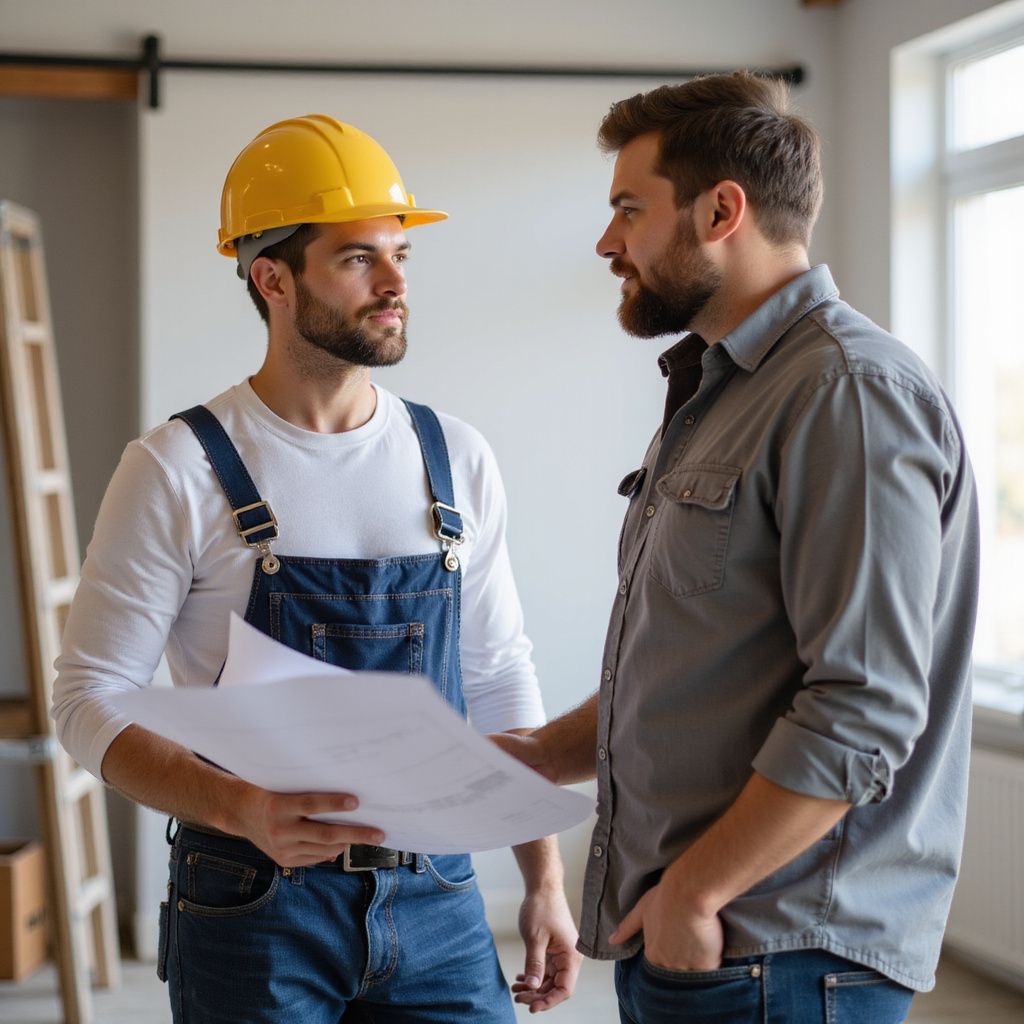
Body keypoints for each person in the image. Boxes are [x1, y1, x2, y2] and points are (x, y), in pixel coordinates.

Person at [52, 114, 581, 1023]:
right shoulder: (178, 467)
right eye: (357, 259)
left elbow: (496, 675)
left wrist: (542, 879)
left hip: (441, 902)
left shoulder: (453, 456)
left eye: (401, 256)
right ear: (273, 278)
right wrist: (239, 806)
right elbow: (87, 700)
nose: (395, 285)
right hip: (252, 905)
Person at [493, 72, 979, 1023]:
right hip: (708, 948)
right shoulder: (723, 393)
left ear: (722, 210)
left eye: (628, 210)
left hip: (779, 953)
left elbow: (865, 704)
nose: (607, 242)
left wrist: (699, 892)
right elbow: (703, 659)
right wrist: (544, 754)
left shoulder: (848, 392)